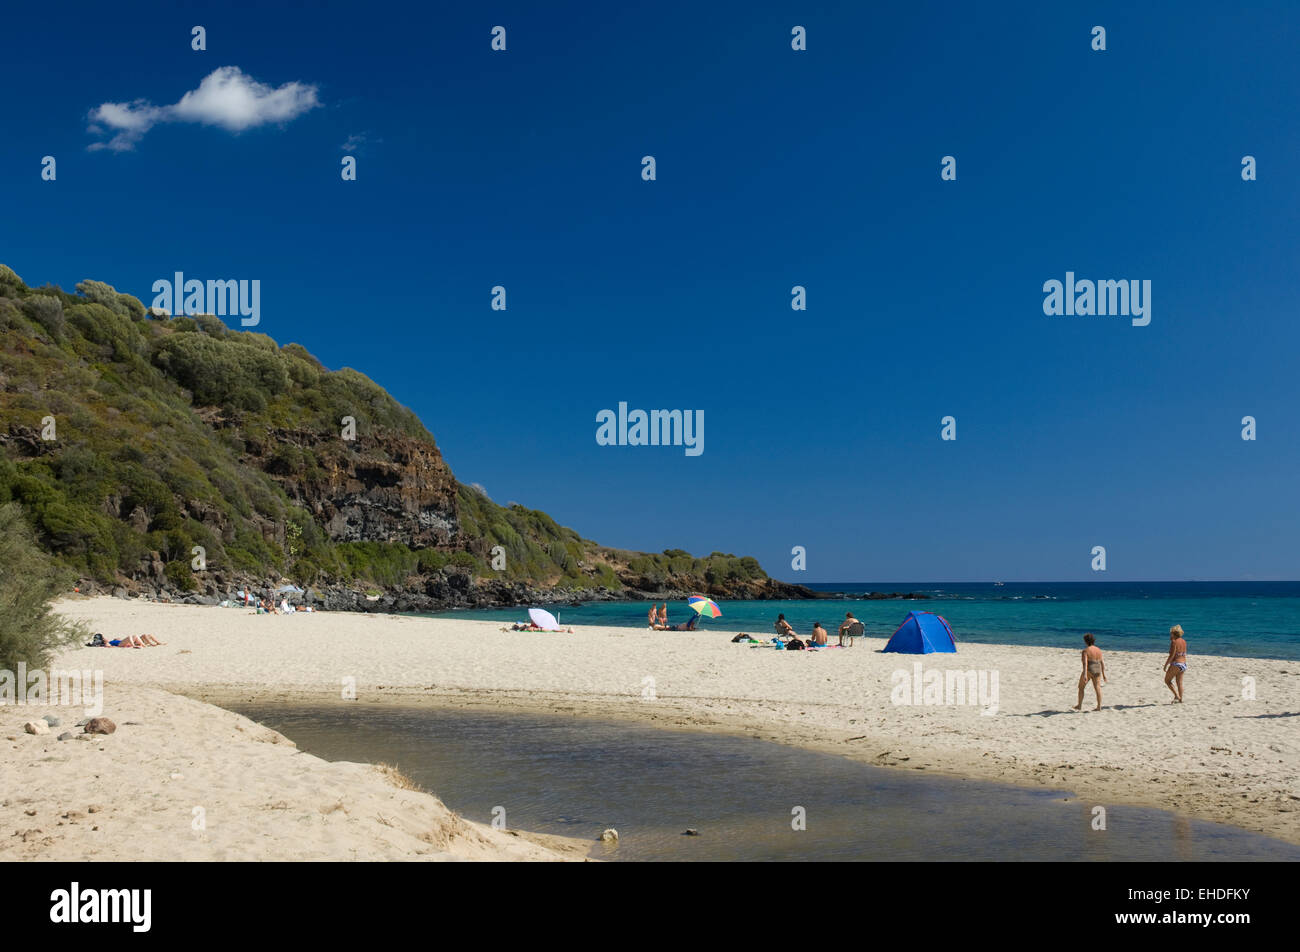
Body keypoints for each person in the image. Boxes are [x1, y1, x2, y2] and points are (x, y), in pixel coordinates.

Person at [1073, 633, 1106, 711]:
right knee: (1097, 687)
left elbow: (1085, 663)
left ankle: (1079, 705)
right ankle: (1099, 706)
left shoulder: (1085, 651)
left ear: (1085, 641)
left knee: (1081, 687)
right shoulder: (1098, 649)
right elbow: (1102, 662)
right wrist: (1104, 674)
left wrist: (1084, 674)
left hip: (1089, 669)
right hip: (1098, 669)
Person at [1163, 624, 1188, 703]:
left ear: (1174, 634)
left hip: (1176, 664)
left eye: (1171, 633)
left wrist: (1166, 665)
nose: (1170, 634)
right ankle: (1181, 699)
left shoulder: (1174, 642)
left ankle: (1176, 696)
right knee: (1179, 683)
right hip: (1183, 664)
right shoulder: (1183, 641)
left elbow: (1171, 655)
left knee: (1167, 680)